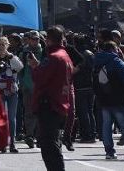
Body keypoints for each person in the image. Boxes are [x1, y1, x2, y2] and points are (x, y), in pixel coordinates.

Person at [28, 26, 74, 171]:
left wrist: (35, 67)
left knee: (49, 147)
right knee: (54, 144)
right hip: (60, 103)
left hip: (50, 104)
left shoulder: (53, 57)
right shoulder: (65, 56)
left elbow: (39, 78)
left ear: (48, 40)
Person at [93, 41, 124, 161]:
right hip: (120, 99)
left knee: (106, 127)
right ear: (113, 49)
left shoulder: (96, 61)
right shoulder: (116, 61)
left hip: (103, 99)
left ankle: (109, 152)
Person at [0, 36, 23, 153]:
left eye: (4, 44)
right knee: (1, 118)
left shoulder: (13, 58)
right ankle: (2, 143)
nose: (2, 47)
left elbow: (20, 67)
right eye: (0, 45)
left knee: (12, 118)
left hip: (12, 91)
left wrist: (10, 57)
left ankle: (12, 143)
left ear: (8, 45)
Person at [17, 31, 42, 148]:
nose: (35, 41)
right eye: (32, 39)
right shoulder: (24, 52)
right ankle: (29, 136)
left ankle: (39, 136)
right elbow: (20, 70)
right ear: (29, 40)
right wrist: (22, 84)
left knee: (41, 112)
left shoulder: (43, 51)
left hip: (41, 86)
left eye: (37, 39)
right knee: (29, 112)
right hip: (28, 86)